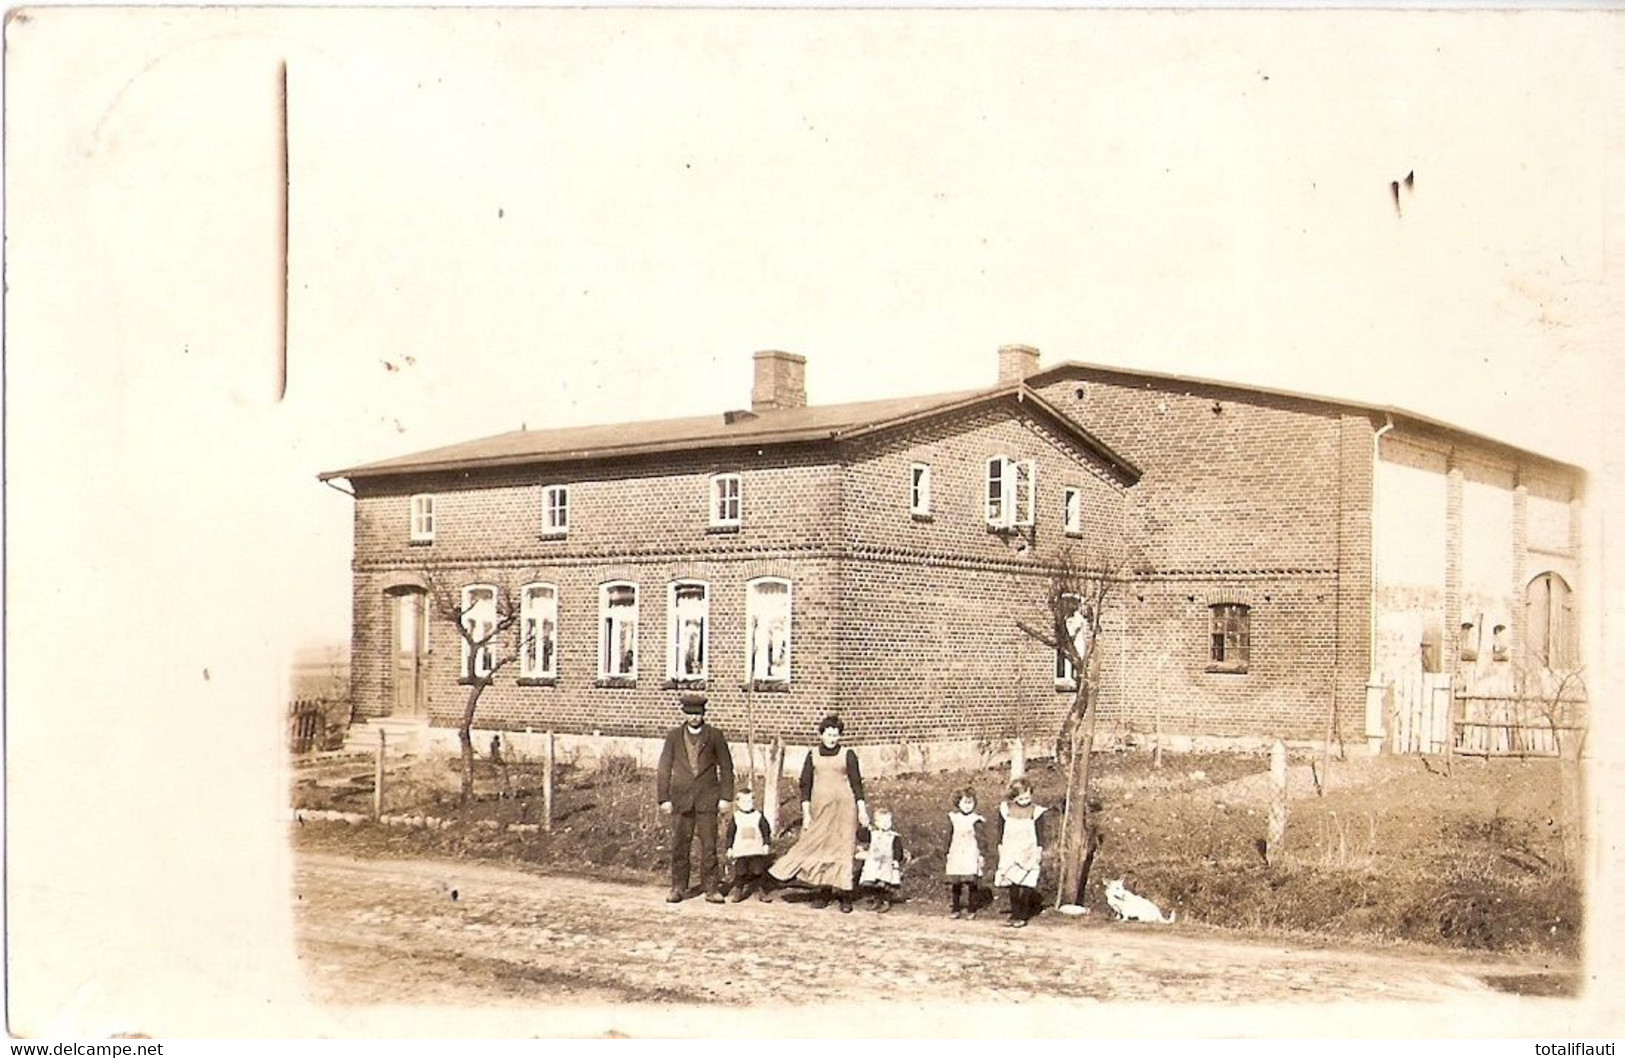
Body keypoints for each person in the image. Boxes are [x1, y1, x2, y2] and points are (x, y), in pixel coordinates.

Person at [768, 715, 868, 913]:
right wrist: (806, 813)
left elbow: (857, 783)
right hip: (820, 808)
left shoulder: (848, 754)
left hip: (844, 809)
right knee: (819, 847)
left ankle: (844, 895)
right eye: (829, 734)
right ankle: (823, 892)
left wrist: (862, 810)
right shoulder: (813, 755)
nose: (832, 738)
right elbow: (805, 784)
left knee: (842, 849)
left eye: (836, 735)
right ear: (821, 735)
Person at [656, 693, 735, 903]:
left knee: (709, 845)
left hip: (707, 798)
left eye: (697, 713)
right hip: (681, 799)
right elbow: (664, 767)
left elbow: (726, 768)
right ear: (684, 713)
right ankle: (678, 887)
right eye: (690, 713)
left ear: (704, 714)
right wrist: (663, 798)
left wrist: (726, 797)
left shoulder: (715, 736)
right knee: (680, 844)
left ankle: (711, 888)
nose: (694, 717)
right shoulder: (674, 736)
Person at [994, 778, 1049, 928]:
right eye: (1021, 798)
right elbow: (1000, 829)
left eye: (1027, 797)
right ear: (1014, 797)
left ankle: (1023, 915)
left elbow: (1040, 832)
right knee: (1012, 882)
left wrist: (1039, 848)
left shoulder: (1036, 812)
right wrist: (999, 844)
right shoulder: (1006, 810)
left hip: (1028, 851)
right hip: (1011, 849)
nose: (1025, 801)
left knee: (1026, 882)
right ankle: (1014, 912)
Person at [723, 786, 774, 902]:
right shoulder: (736, 817)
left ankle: (760, 891)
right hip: (741, 850)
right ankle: (738, 891)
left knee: (758, 871)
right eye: (744, 801)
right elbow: (730, 834)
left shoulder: (758, 816)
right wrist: (729, 847)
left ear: (754, 802)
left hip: (756, 849)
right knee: (741, 872)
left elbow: (766, 831)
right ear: (738, 803)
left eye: (750, 801)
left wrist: (766, 844)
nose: (747, 804)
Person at [943, 788, 988, 920]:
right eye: (965, 803)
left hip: (970, 852)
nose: (968, 806)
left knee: (971, 881)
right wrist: (946, 851)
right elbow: (948, 836)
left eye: (970, 803)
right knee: (956, 882)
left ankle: (971, 908)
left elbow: (982, 838)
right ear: (958, 803)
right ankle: (956, 908)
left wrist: (982, 854)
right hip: (956, 851)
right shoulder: (953, 818)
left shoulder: (976, 820)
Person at [856, 806, 905, 912]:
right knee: (871, 882)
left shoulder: (894, 836)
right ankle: (874, 899)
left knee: (884, 883)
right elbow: (861, 837)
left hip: (886, 863)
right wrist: (864, 827)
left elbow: (898, 850)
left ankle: (885, 900)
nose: (886, 824)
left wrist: (896, 860)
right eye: (882, 821)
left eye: (888, 821)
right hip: (873, 862)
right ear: (876, 822)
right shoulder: (873, 833)